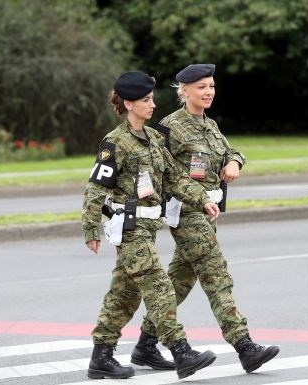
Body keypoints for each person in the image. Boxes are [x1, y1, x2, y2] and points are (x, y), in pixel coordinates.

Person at [131, 64, 279, 374]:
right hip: (186, 212)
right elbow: (157, 170)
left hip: (208, 211)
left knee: (180, 280)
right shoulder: (169, 128)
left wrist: (235, 163)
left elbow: (231, 151)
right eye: (201, 87)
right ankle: (244, 346)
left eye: (211, 86)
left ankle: (146, 345)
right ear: (183, 91)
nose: (208, 91)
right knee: (216, 275)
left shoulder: (209, 125)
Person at [82, 71, 220, 380]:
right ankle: (181, 350)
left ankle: (100, 358)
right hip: (129, 229)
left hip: (147, 228)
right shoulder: (115, 143)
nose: (153, 104)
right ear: (129, 104)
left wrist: (202, 199)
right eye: (146, 100)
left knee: (124, 295)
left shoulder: (156, 139)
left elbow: (176, 177)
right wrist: (91, 229)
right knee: (160, 288)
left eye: (152, 98)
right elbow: (95, 188)